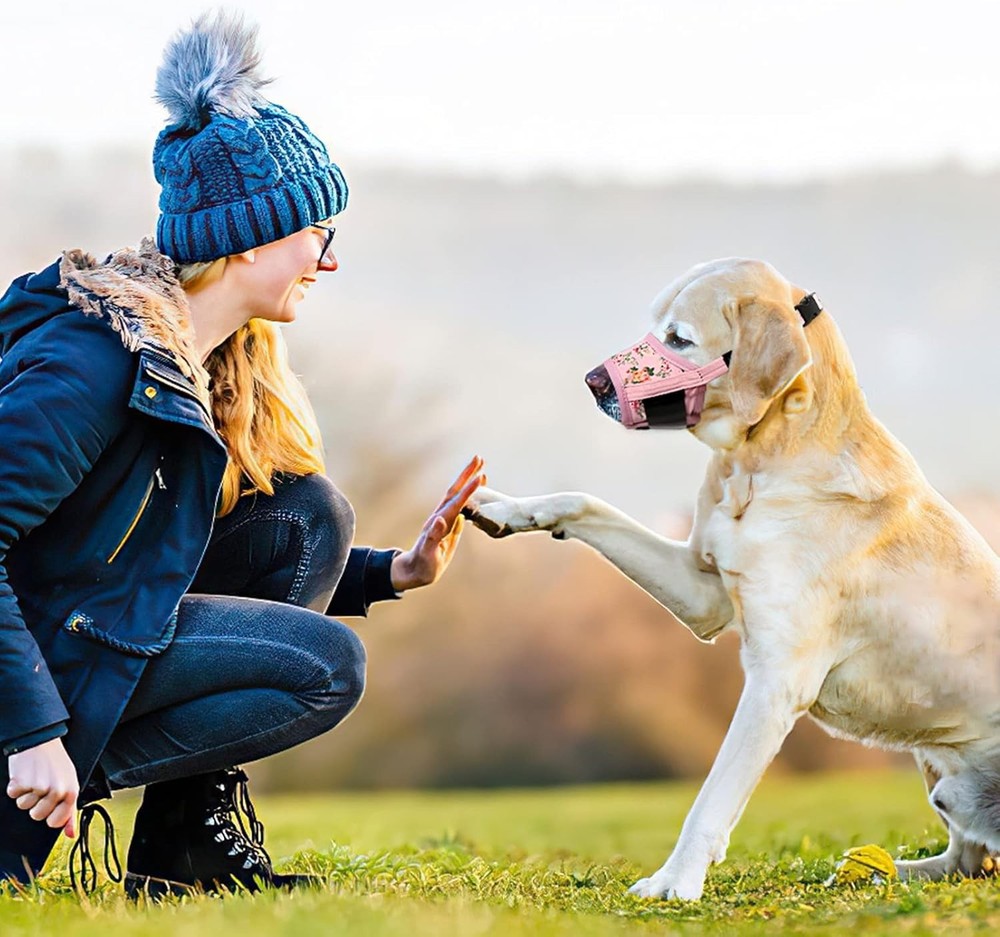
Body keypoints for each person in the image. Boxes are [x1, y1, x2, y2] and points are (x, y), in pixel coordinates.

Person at [0, 12, 484, 897]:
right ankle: (15, 798)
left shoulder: (199, 361)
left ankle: (188, 839)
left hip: (84, 624)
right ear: (252, 238)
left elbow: (155, 557)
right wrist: (28, 734)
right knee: (324, 668)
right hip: (34, 668)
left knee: (307, 518)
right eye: (318, 233)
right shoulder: (92, 361)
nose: (328, 260)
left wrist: (393, 575)